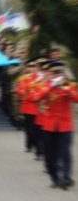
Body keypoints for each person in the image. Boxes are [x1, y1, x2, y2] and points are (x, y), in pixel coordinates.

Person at [33, 61, 78, 189]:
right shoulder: (44, 85)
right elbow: (37, 97)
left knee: (65, 153)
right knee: (50, 155)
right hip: (49, 125)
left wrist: (66, 88)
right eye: (55, 73)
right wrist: (51, 86)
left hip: (65, 125)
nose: (57, 75)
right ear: (50, 74)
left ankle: (66, 178)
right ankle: (55, 177)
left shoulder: (70, 85)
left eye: (59, 72)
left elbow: (76, 98)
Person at [16, 57, 42, 154]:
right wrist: (29, 93)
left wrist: (29, 93)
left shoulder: (40, 79)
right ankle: (29, 145)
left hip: (37, 108)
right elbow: (20, 91)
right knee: (28, 129)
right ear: (27, 68)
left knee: (36, 129)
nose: (32, 68)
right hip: (27, 107)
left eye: (34, 66)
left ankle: (37, 146)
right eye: (30, 66)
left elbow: (41, 92)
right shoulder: (24, 78)